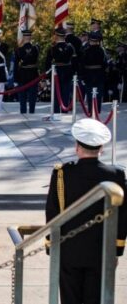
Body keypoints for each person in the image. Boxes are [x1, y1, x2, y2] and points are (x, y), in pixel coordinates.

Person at [45, 118, 126, 304]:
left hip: (69, 248)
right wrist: (117, 249)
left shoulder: (62, 174)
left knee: (70, 298)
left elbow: (53, 212)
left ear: (77, 146)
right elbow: (122, 216)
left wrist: (52, 245)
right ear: (101, 148)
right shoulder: (116, 175)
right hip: (101, 248)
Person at [45, 28, 76, 114]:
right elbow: (74, 62)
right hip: (68, 72)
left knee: (56, 93)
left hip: (56, 72)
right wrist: (74, 73)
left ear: (56, 36)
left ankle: (56, 112)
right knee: (66, 93)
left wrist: (48, 76)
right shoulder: (70, 47)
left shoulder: (53, 48)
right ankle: (64, 111)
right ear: (65, 36)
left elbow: (48, 63)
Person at [79, 31, 108, 114]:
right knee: (98, 94)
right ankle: (97, 110)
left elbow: (82, 65)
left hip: (88, 75)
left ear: (90, 41)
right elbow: (105, 64)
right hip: (99, 75)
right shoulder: (101, 51)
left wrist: (83, 76)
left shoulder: (86, 51)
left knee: (89, 94)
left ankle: (90, 110)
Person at [13, 30, 40, 114]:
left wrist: (15, 79)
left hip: (22, 75)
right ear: (30, 37)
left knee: (22, 98)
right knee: (32, 98)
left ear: (24, 37)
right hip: (33, 75)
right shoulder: (36, 48)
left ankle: (23, 114)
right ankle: (32, 113)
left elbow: (16, 66)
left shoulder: (18, 50)